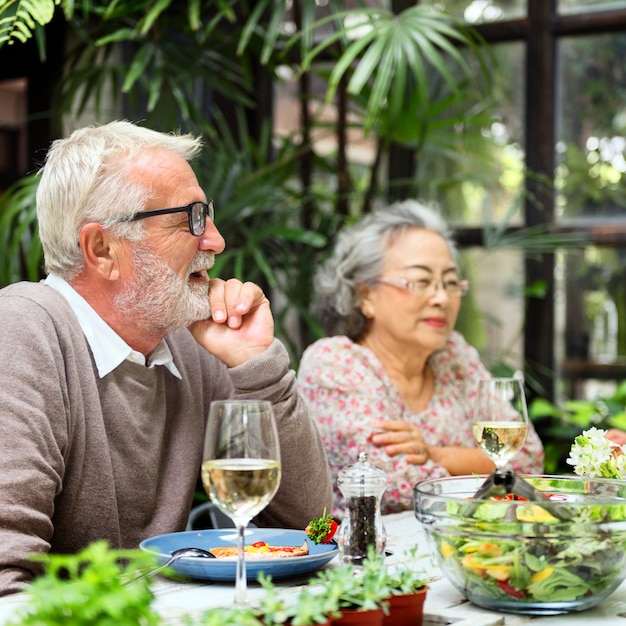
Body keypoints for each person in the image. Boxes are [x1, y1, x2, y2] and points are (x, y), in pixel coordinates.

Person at [0, 120, 332, 595]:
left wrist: (256, 365)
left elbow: (312, 529)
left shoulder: (188, 341)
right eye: (191, 219)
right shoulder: (20, 333)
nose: (216, 241)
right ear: (102, 249)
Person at [297, 200, 544, 517]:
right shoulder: (334, 363)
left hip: (462, 550)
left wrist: (434, 453)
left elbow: (529, 459)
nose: (441, 298)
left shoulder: (454, 356)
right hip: (368, 559)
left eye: (450, 283)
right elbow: (397, 486)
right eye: (421, 281)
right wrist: (489, 471)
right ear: (365, 295)